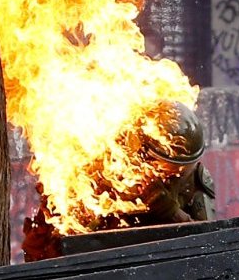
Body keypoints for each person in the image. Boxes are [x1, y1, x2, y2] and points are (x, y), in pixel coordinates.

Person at [22, 99, 215, 261]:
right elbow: (75, 239)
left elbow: (207, 244)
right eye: (167, 165)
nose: (176, 173)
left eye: (182, 168)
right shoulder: (107, 166)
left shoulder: (194, 179)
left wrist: (170, 211)